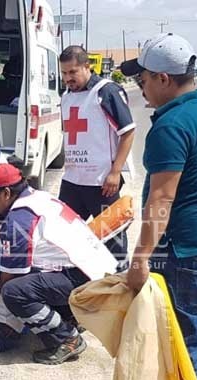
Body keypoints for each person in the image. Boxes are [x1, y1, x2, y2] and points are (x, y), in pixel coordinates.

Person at [120, 33, 197, 380]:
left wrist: (139, 261)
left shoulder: (170, 126)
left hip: (186, 256)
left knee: (185, 348)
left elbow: (161, 200)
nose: (142, 89)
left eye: (144, 80)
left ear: (164, 79)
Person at [0, 164, 118, 365]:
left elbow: (9, 278)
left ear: (5, 193)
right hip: (97, 269)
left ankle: (66, 337)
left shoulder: (19, 220)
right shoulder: (38, 198)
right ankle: (67, 317)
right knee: (33, 274)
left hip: (84, 277)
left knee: (14, 291)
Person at [58, 45, 136, 266]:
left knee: (114, 242)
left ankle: (121, 283)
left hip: (101, 182)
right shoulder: (66, 96)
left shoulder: (106, 91)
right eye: (64, 73)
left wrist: (115, 171)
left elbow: (128, 131)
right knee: (64, 236)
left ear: (87, 66)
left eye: (73, 72)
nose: (68, 78)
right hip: (72, 180)